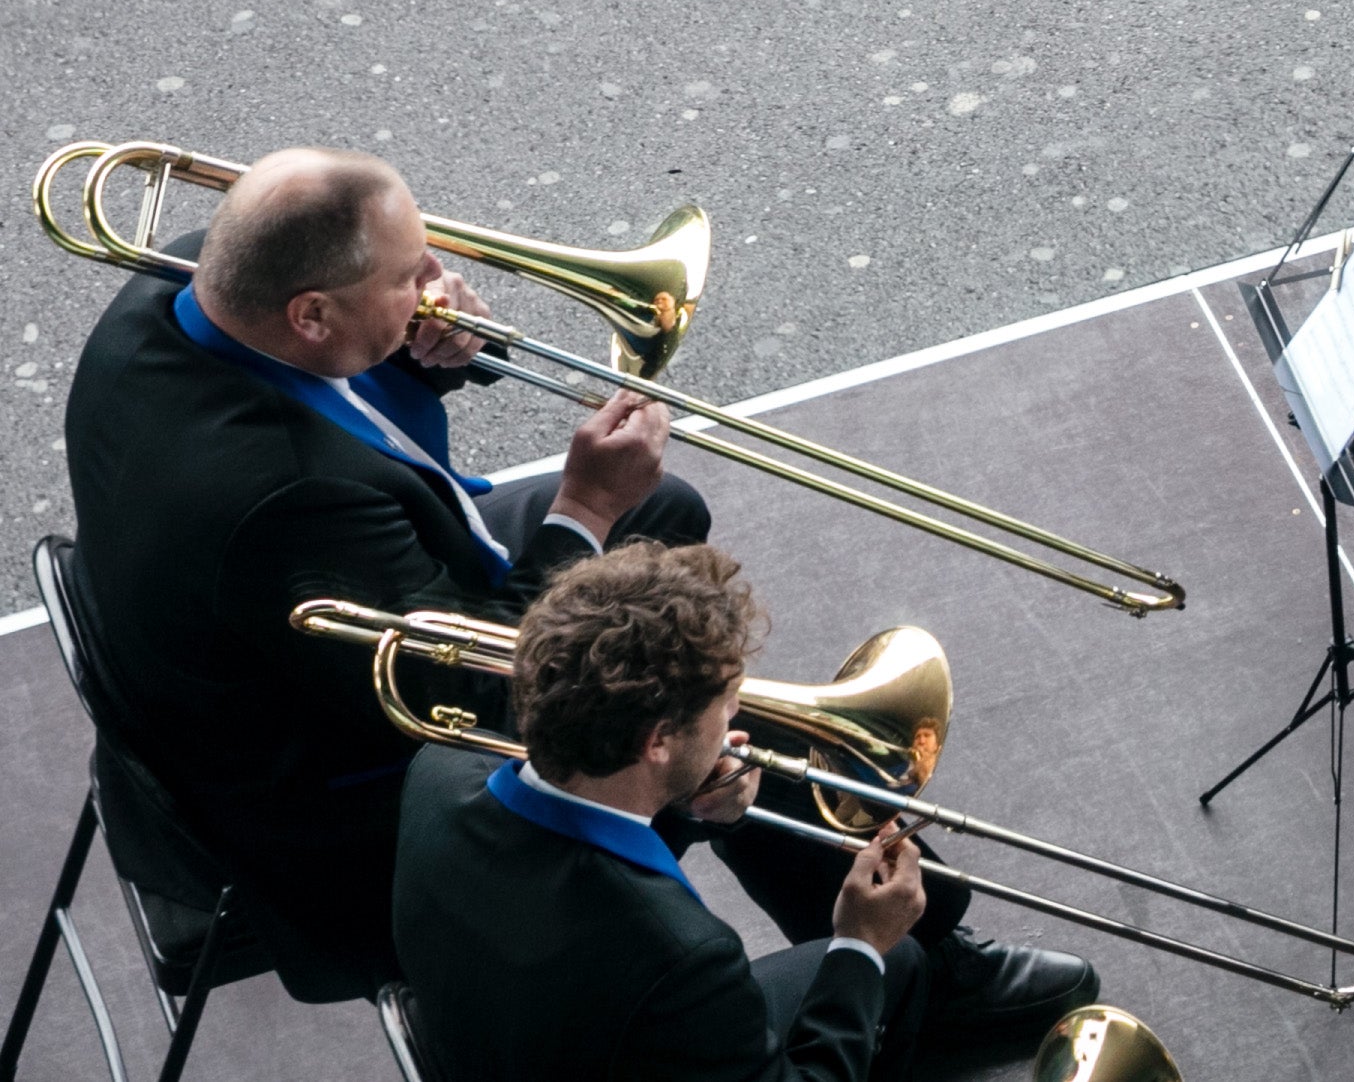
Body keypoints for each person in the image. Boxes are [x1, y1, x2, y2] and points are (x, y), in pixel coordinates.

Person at [50, 147, 1017, 1009]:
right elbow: (485, 683)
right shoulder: (281, 500)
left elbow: (334, 410)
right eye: (408, 280)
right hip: (334, 811)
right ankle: (908, 964)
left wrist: (417, 360)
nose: (437, 286)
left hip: (270, 648)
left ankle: (876, 923)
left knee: (660, 514)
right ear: (311, 313)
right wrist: (584, 509)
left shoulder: (183, 285)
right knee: (708, 720)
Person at [384, 537, 954, 1082]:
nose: (735, 715)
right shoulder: (681, 956)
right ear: (656, 742)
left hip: (520, 1039)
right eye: (727, 701)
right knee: (890, 961)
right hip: (619, 1035)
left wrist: (680, 801)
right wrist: (858, 941)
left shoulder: (438, 772)